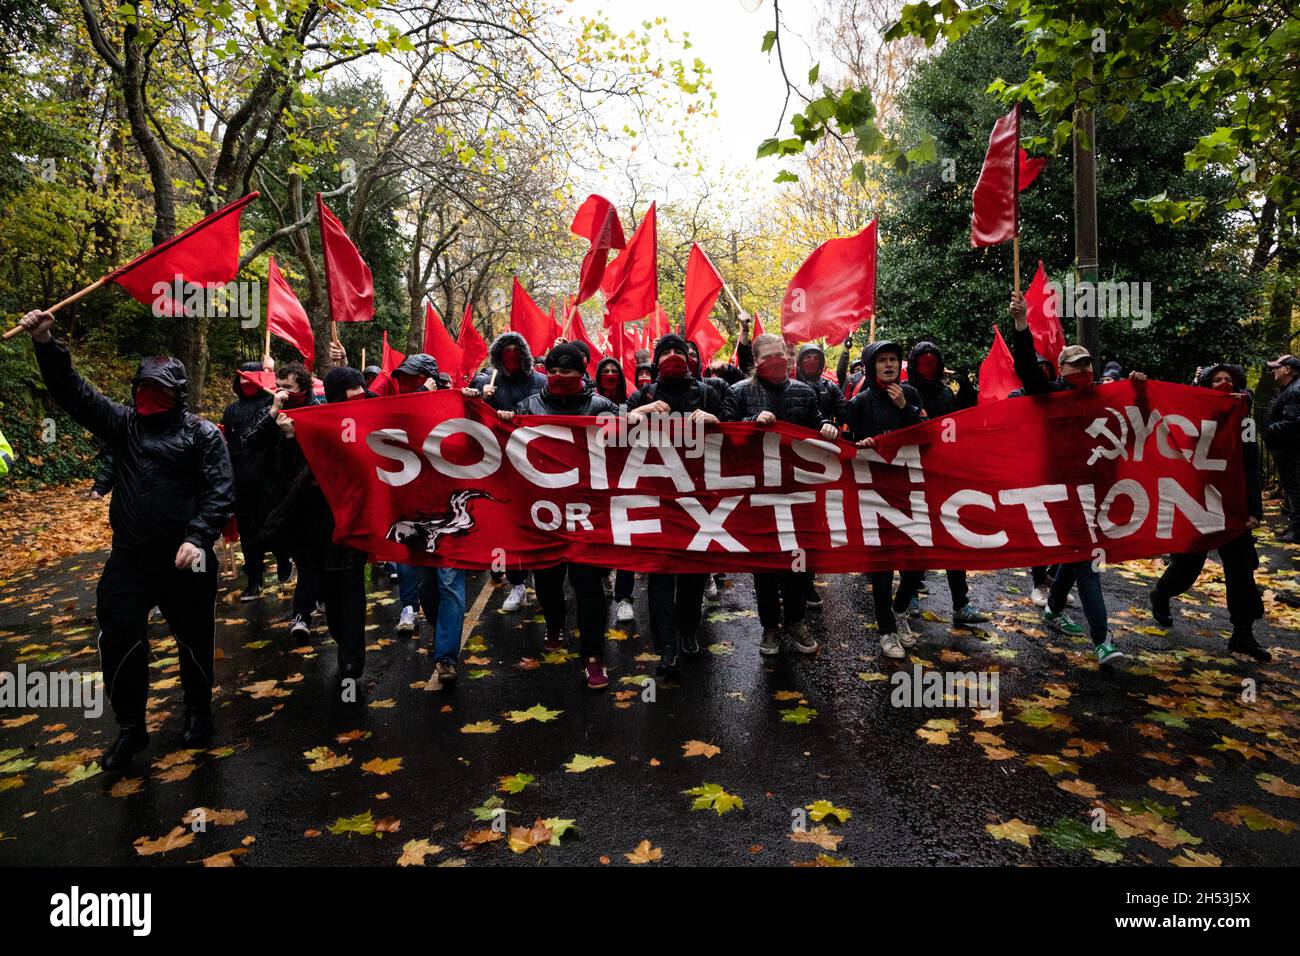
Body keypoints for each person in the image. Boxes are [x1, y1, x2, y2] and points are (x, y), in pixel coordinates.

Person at [17, 308, 235, 771]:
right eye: (143, 387)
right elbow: (73, 394)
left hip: (186, 559)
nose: (149, 396)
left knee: (194, 637)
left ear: (178, 395)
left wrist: (198, 538)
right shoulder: (123, 425)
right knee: (118, 637)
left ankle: (198, 711)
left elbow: (220, 491)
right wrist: (44, 342)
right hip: (130, 559)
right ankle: (131, 728)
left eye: (159, 389)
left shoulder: (203, 435)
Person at [1009, 291, 1135, 666]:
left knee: (1077, 555)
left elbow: (1137, 407)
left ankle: (1052, 608)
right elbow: (1029, 371)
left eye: (1088, 366)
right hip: (1060, 490)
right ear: (1062, 371)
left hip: (1095, 489)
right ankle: (1102, 640)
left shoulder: (1102, 396)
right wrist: (1021, 325)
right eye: (1076, 366)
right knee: (1088, 561)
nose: (1084, 372)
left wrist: (1138, 384)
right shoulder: (1048, 396)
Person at [496, 343, 616, 689]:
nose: (559, 377)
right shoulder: (527, 407)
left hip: (587, 514)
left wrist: (630, 422)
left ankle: (594, 657)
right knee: (547, 581)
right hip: (544, 514)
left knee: (589, 587)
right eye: (554, 371)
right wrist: (504, 420)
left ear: (582, 373)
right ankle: (554, 625)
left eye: (567, 371)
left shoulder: (602, 408)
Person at [1150, 363, 1270, 662]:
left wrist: (1253, 510)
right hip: (1197, 503)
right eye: (1216, 380)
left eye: (1229, 379)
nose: (1224, 384)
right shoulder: (1190, 417)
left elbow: (1250, 467)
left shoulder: (1244, 421)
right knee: (1187, 568)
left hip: (1232, 508)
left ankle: (1242, 634)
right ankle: (1162, 593)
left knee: (1241, 572)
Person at [730, 333, 839, 658]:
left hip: (797, 493)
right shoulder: (740, 392)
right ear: (755, 360)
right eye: (768, 355)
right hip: (758, 494)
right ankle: (770, 626)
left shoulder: (805, 393)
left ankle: (795, 621)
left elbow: (816, 422)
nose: (776, 360)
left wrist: (826, 428)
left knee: (797, 561)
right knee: (764, 565)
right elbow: (725, 430)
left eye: (781, 354)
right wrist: (751, 422)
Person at [627, 333, 729, 677]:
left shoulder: (708, 392)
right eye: (665, 352)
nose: (673, 356)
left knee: (693, 575)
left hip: (698, 500)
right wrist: (639, 411)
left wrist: (716, 420)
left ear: (690, 357)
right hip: (655, 499)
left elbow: (738, 427)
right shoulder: (643, 394)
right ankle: (665, 646)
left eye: (679, 351)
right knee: (658, 578)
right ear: (655, 361)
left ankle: (688, 631)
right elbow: (612, 434)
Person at [266, 365, 373, 686]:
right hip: (314, 525)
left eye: (362, 395)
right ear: (338, 396)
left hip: (352, 521)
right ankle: (343, 642)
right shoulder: (312, 422)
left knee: (352, 589)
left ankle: (352, 660)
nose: (360, 401)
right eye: (352, 397)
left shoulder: (369, 417)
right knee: (330, 591)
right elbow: (286, 475)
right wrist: (288, 440)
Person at [845, 341, 926, 659]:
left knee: (915, 561)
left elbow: (924, 434)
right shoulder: (860, 402)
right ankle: (887, 630)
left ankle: (901, 611)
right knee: (882, 564)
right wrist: (861, 445)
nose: (889, 365)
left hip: (910, 487)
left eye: (894, 359)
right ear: (871, 366)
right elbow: (846, 445)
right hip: (875, 491)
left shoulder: (912, 394)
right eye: (883, 361)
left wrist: (906, 407)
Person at [905, 341, 990, 628]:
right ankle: (910, 593)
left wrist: (967, 392)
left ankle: (961, 603)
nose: (928, 367)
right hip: (915, 474)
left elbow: (958, 424)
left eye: (933, 362)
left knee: (953, 537)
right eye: (923, 362)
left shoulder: (945, 393)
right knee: (918, 536)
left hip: (945, 474)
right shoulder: (906, 393)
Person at [243, 362, 324, 642]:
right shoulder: (271, 409)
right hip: (280, 499)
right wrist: (273, 412)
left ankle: (304, 610)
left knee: (313, 559)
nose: (282, 391)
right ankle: (302, 610)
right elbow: (251, 441)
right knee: (303, 556)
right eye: (279, 386)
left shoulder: (318, 408)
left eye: (288, 387)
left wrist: (292, 437)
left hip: (313, 497)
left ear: (303, 386)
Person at [467, 332, 546, 610]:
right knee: (508, 525)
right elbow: (469, 418)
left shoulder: (540, 382)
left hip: (535, 464)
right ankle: (517, 583)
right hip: (500, 464)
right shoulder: (488, 381)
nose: (511, 359)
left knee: (536, 521)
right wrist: (478, 399)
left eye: (516, 352)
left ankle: (539, 571)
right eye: (505, 354)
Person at [222, 361, 292, 600]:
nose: (245, 383)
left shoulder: (273, 403)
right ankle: (254, 577)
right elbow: (229, 446)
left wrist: (271, 374)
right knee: (248, 531)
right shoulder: (231, 411)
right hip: (242, 481)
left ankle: (284, 559)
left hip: (271, 478)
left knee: (276, 525)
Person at [594, 357, 638, 624]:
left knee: (625, 541)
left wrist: (638, 415)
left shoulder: (631, 403)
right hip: (596, 481)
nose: (610, 374)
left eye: (614, 371)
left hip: (625, 481)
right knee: (600, 538)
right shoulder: (588, 403)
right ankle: (602, 576)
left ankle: (624, 598)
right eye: (605, 371)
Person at [1264, 354, 1300, 542]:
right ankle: (1294, 527)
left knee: (1294, 488)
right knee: (1292, 488)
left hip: (1288, 448)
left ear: (1287, 369)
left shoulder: (1294, 391)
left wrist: (1270, 429)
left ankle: (1297, 530)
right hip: (1286, 447)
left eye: (1276, 367)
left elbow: (1292, 423)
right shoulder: (1289, 389)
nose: (1272, 371)